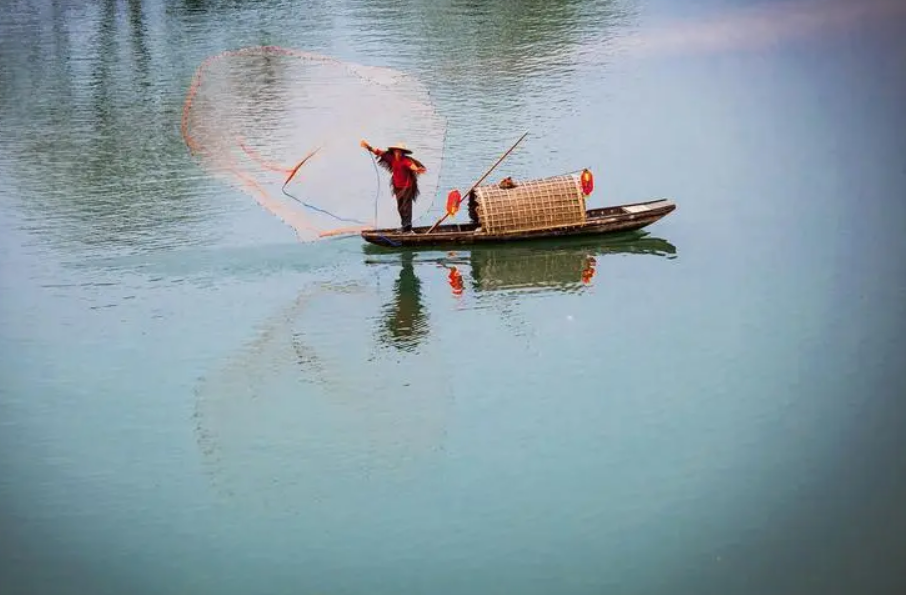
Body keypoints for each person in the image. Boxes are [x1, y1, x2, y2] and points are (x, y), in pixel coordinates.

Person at [360, 140, 427, 232]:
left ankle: (407, 226)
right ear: (394, 151)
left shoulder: (406, 160)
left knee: (406, 206)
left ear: (403, 153)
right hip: (397, 186)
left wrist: (417, 169)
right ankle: (404, 225)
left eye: (400, 152)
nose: (398, 153)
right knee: (400, 207)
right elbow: (379, 152)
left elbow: (411, 166)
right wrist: (369, 147)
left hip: (407, 186)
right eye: (397, 151)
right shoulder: (391, 158)